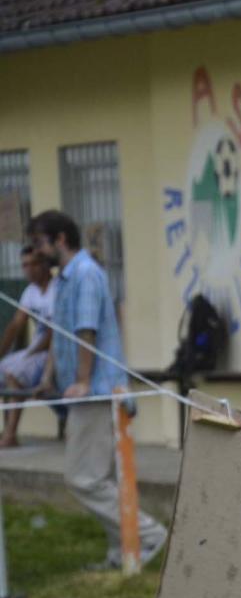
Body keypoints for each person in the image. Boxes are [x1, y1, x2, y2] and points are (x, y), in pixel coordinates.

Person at [27, 210, 167, 570]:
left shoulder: (86, 273)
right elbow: (60, 334)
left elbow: (85, 331)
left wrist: (84, 381)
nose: (36, 251)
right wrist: (47, 380)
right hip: (84, 390)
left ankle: (149, 535)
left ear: (60, 239)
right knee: (101, 479)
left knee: (83, 479)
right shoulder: (65, 280)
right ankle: (122, 550)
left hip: (98, 392)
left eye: (40, 242)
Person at [0, 245, 57, 446]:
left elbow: (53, 335)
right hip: (34, 351)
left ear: (45, 265)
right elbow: (16, 325)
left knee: (15, 373)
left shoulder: (57, 289)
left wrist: (30, 353)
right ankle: (5, 429)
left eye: (33, 264)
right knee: (4, 369)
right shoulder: (30, 291)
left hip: (52, 353)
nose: (28, 270)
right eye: (24, 265)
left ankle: (10, 435)